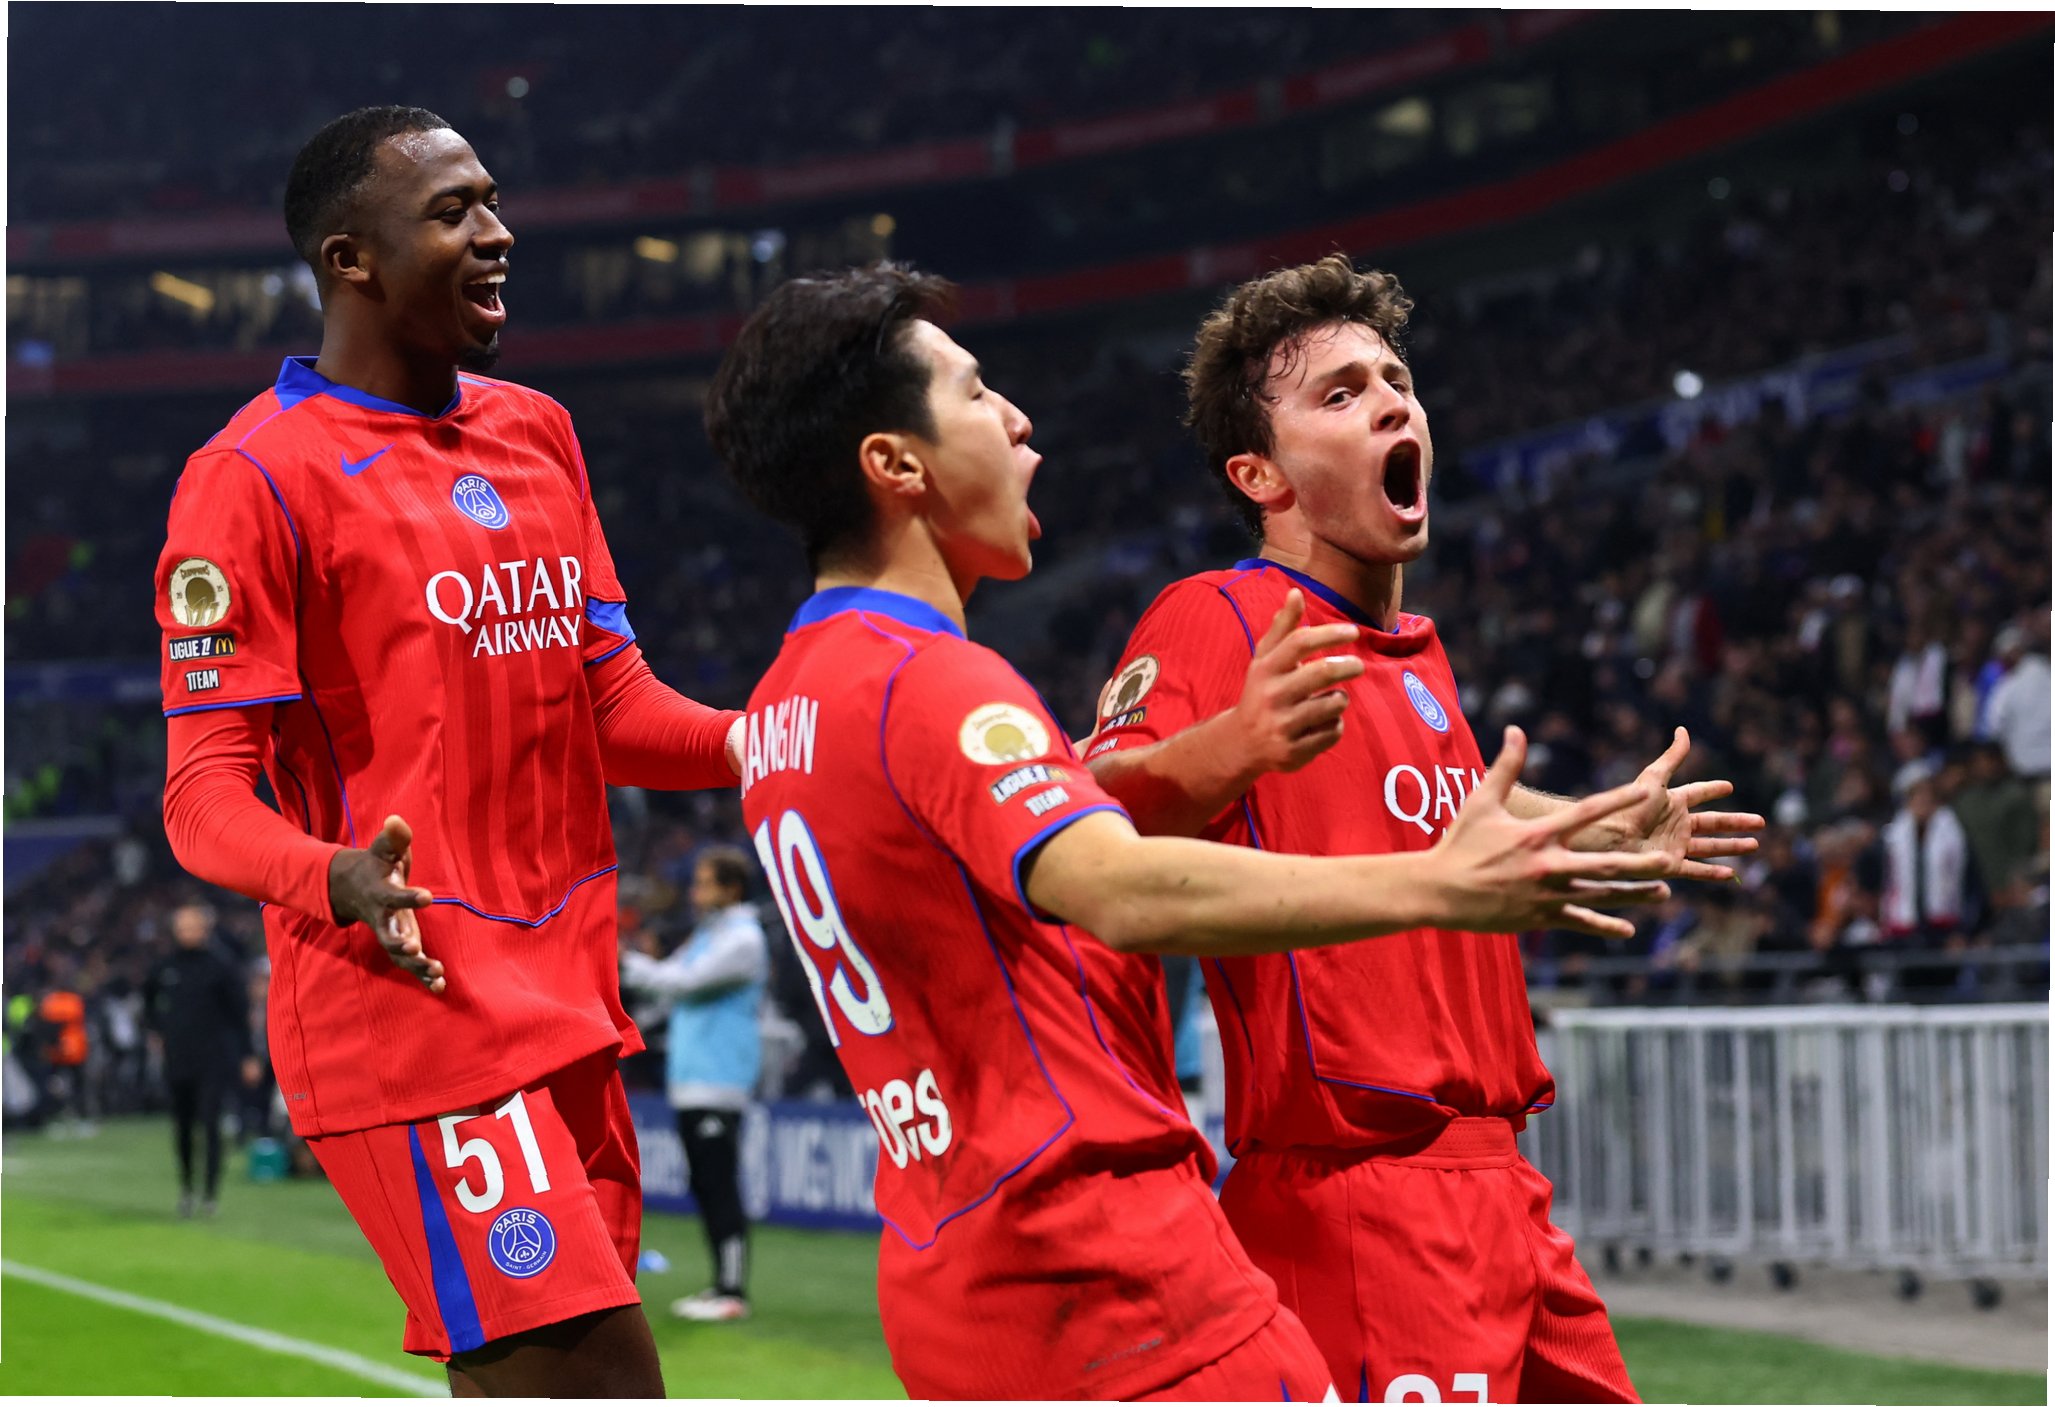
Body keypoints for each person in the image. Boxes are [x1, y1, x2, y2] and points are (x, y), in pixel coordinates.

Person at [703, 263, 1675, 1400]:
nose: (1018, 421)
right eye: (975, 393)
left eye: (1397, 381)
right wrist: (1419, 872)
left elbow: (1396, 803)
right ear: (896, 462)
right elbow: (1107, 851)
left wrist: (1586, 826)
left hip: (984, 1236)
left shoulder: (792, 701)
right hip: (1148, 1235)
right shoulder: (1046, 654)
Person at [1083, 256, 1764, 1403]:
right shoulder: (1220, 616)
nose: (1392, 403)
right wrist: (1231, 745)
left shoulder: (1414, 659)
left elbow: (1433, 804)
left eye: (1397, 380)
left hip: (1504, 1195)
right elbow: (1092, 818)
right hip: (1359, 1201)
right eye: (1341, 393)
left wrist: (1594, 826)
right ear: (1260, 474)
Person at [154, 106, 745, 1397]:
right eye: (453, 211)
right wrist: (336, 874)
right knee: (598, 1383)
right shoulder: (251, 476)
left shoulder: (538, 431)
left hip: (571, 1001)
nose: (497, 231)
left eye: (492, 200)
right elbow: (201, 797)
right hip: (408, 1010)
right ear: (350, 258)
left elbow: (612, 704)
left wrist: (774, 743)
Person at [619, 845, 769, 1324]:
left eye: (705, 882)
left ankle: (732, 1291)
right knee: (704, 1183)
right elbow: (670, 979)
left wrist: (622, 962)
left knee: (719, 1184)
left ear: (732, 888)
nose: (695, 891)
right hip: (692, 1079)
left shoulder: (743, 940)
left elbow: (682, 981)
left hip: (719, 1080)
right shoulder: (712, 934)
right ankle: (721, 1285)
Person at [143, 903, 255, 1217]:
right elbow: (148, 1002)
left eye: (192, 927)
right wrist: (158, 1030)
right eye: (182, 928)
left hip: (213, 1059)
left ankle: (210, 1193)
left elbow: (239, 1014)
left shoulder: (221, 966)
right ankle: (187, 1188)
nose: (187, 933)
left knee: (211, 1123)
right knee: (182, 1126)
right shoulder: (165, 967)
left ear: (205, 929)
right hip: (178, 1058)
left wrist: (247, 1055)